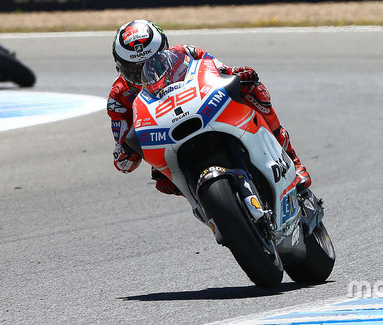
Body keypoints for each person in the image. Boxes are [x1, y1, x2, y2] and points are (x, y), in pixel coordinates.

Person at [108, 20, 312, 196]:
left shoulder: (187, 52)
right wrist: (127, 150)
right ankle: (209, 204)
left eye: (154, 63)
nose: (147, 73)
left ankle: (292, 160)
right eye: (134, 71)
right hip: (166, 142)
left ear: (166, 51)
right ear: (120, 67)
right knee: (162, 181)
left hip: (204, 111)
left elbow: (221, 72)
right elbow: (124, 163)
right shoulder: (118, 97)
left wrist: (238, 75)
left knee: (251, 87)